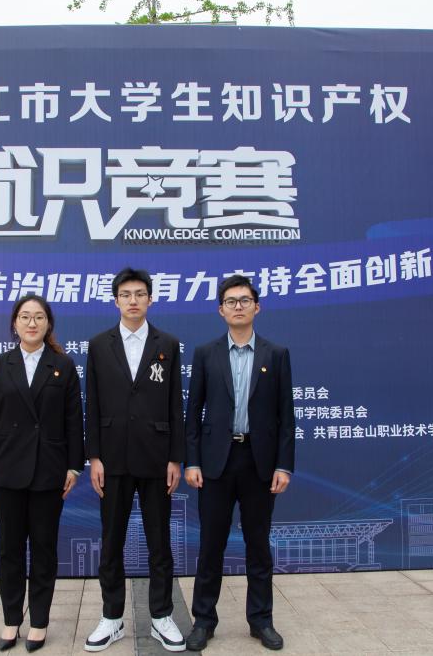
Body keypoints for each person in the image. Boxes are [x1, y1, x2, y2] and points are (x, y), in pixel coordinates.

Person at [183, 275, 296, 652]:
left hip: (258, 463)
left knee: (258, 545)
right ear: (221, 310)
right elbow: (193, 413)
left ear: (256, 307)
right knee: (210, 545)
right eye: (230, 301)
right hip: (215, 463)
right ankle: (204, 620)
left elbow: (286, 417)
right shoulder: (206, 353)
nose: (238, 306)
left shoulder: (276, 354)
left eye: (244, 300)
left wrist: (283, 466)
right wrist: (192, 461)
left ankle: (261, 620)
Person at [83, 268, 186, 653]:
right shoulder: (99, 345)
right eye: (125, 294)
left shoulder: (168, 344)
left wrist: (176, 457)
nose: (133, 300)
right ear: (116, 301)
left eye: (140, 294)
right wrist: (94, 456)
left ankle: (161, 615)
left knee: (160, 542)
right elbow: (92, 404)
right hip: (112, 459)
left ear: (150, 299)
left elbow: (176, 404)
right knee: (111, 541)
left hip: (157, 458)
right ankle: (112, 617)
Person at [0, 294, 85, 652]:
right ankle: (11, 620)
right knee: (10, 551)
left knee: (43, 550)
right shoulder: (1, 364)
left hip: (48, 472)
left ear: (48, 323)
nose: (32, 323)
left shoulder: (62, 365)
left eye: (39, 317)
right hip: (7, 470)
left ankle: (39, 622)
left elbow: (74, 420)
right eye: (25, 316)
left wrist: (74, 466)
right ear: (15, 324)